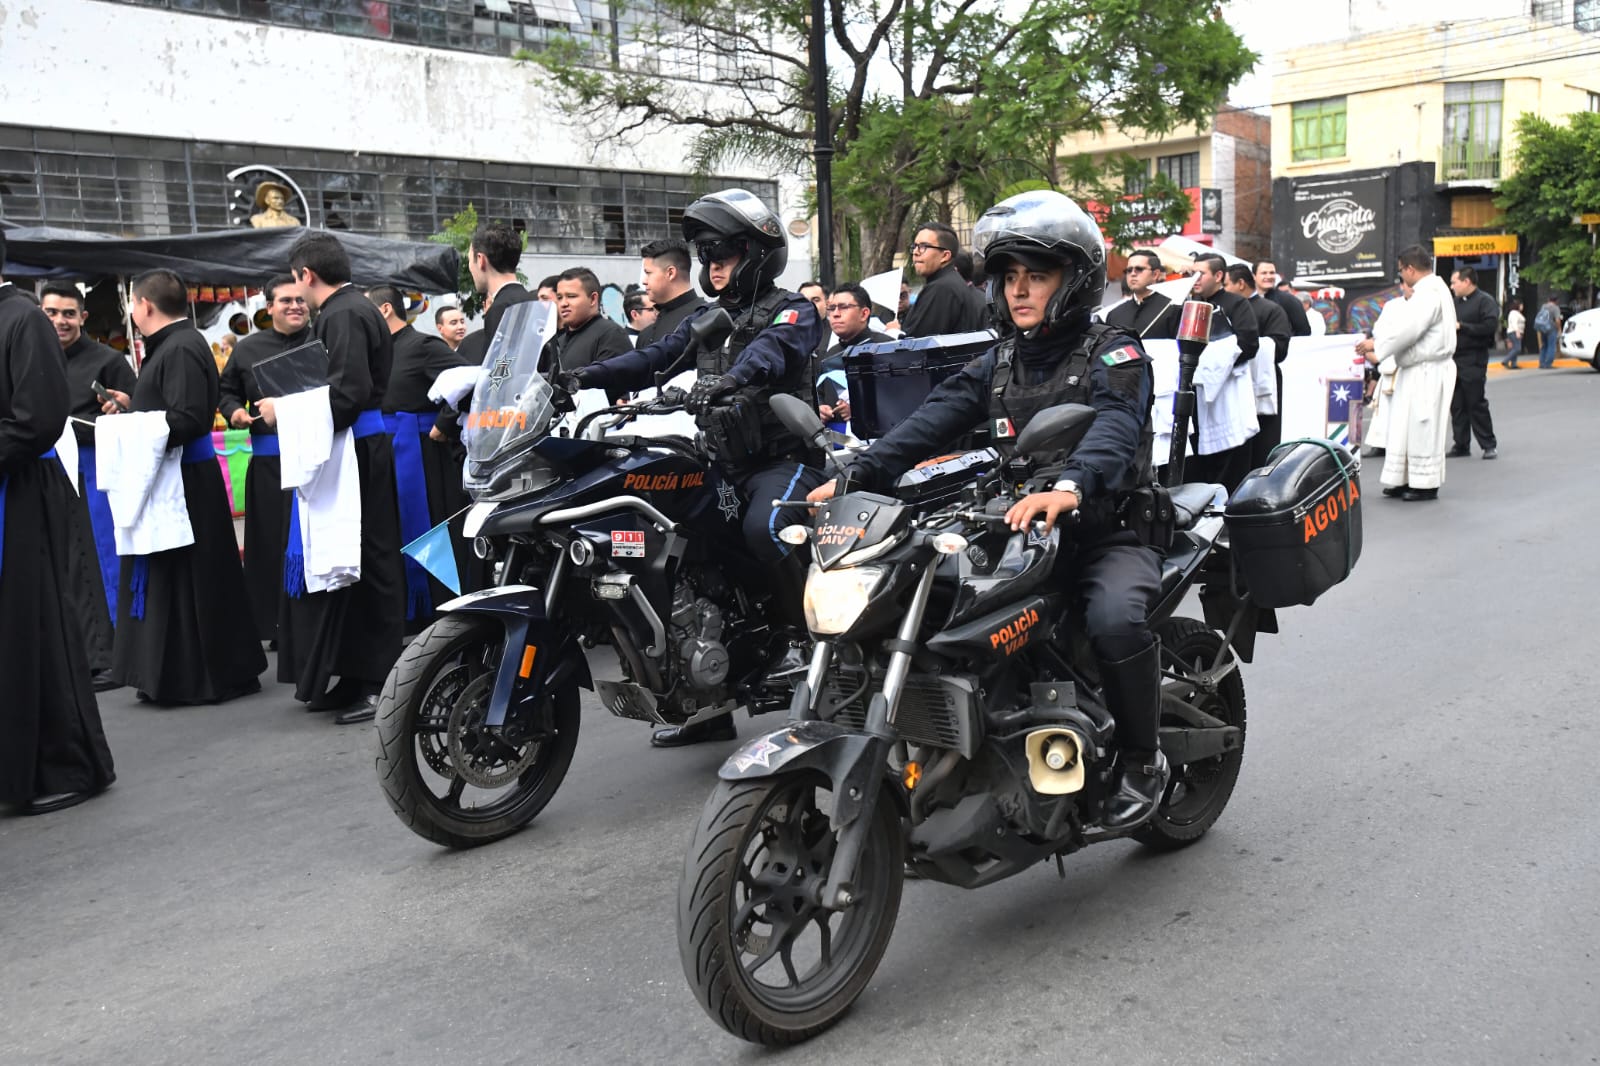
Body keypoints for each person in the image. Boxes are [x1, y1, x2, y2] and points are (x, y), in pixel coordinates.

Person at [807, 191, 1168, 830]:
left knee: (1114, 618)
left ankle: (1143, 758)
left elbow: (1115, 425)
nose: (1020, 291)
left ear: (1074, 281)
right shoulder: (998, 361)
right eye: (1010, 278)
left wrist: (1074, 485)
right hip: (1015, 523)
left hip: (1107, 528)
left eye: (1038, 276)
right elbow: (928, 421)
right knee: (927, 593)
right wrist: (855, 474)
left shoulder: (1116, 351)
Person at [566, 188, 826, 748]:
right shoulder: (709, 319)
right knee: (672, 542)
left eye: (723, 254)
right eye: (707, 256)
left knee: (763, 528)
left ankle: (815, 642)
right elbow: (655, 357)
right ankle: (704, 698)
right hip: (720, 463)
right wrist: (580, 377)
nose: (712, 266)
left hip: (783, 463)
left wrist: (732, 379)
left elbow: (774, 351)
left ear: (756, 254)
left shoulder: (794, 308)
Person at [99, 269, 266, 704]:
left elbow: (189, 418)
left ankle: (205, 677)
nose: (132, 311)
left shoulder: (182, 346)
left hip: (187, 481)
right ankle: (174, 673)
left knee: (198, 580)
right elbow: (169, 410)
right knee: (176, 580)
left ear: (144, 306)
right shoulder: (173, 346)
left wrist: (133, 428)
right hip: (176, 477)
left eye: (132, 304)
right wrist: (133, 409)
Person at [260, 233, 404, 724]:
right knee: (357, 558)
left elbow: (346, 394)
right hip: (359, 446)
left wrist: (283, 408)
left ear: (305, 276)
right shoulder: (353, 308)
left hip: (359, 447)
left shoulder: (342, 314)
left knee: (371, 558)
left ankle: (380, 679)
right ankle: (356, 671)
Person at [0, 243, 117, 815]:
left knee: (39, 627)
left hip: (22, 493)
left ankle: (66, 764)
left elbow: (39, 420)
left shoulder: (22, 318)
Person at [367, 283, 476, 629]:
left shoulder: (423, 345)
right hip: (387, 454)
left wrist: (444, 423)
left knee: (435, 532)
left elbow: (472, 380)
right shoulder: (376, 351)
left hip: (424, 456)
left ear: (384, 310)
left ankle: (444, 612)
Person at [42, 282, 132, 690]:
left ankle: (111, 656)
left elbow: (137, 406)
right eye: (51, 313)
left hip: (94, 471)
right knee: (61, 566)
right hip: (45, 474)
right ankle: (74, 653)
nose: (60, 320)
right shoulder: (29, 356)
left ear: (83, 317)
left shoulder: (108, 360)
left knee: (98, 564)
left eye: (67, 313)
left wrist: (122, 405)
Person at [219, 274, 310, 646]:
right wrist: (233, 413)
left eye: (300, 300)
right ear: (268, 307)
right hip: (270, 466)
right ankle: (275, 624)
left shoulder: (325, 339)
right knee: (270, 546)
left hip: (316, 461)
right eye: (285, 301)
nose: (295, 306)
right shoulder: (248, 349)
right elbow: (225, 392)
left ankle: (313, 620)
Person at [1354, 246, 1457, 501]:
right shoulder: (1432, 290)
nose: (1402, 276)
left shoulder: (1429, 293)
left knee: (1422, 425)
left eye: (1401, 271)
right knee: (1403, 426)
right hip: (1415, 369)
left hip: (1426, 371)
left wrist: (1376, 344)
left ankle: (1424, 483)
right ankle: (1402, 477)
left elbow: (1409, 330)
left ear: (1410, 269)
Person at [1189, 253, 1261, 491]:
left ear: (1219, 275)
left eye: (1201, 273)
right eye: (1192, 273)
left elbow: (1249, 343)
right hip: (1196, 393)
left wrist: (1215, 362)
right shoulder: (1187, 305)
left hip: (1229, 390)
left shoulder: (1236, 304)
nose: (1195, 278)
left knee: (1231, 455)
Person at [1225, 264, 1291, 468]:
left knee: (1263, 444)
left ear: (1241, 284)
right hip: (1231, 382)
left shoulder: (1271, 310)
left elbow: (1280, 348)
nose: (1223, 289)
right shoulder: (1226, 308)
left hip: (1263, 382)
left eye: (1226, 284)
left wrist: (1245, 345)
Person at [457, 223, 534, 366]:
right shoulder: (533, 302)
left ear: (481, 260)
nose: (470, 268)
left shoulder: (501, 308)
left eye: (469, 261)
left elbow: (500, 376)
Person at [816, 281, 891, 425]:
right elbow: (820, 392)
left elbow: (901, 399)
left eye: (844, 307)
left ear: (864, 314)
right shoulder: (832, 353)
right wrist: (820, 408)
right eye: (831, 308)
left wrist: (861, 411)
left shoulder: (887, 348)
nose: (835, 314)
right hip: (837, 439)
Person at [902, 222, 989, 337]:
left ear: (945, 256)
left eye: (923, 247)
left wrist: (893, 333)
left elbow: (917, 343)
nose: (916, 252)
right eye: (915, 246)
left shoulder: (941, 288)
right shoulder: (950, 283)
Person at [1447, 265, 1499, 460]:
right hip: (1454, 359)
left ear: (1467, 281)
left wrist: (1463, 327)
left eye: (1454, 282)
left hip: (1474, 358)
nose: (1452, 286)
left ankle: (1488, 444)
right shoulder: (1454, 303)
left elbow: (1489, 326)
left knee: (1475, 402)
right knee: (1457, 404)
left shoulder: (1485, 301)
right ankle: (1461, 444)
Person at [544, 266, 632, 375]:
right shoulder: (559, 341)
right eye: (559, 297)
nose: (563, 303)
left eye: (571, 296)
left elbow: (614, 384)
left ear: (593, 299)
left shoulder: (611, 335)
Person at [636, 238, 706, 349]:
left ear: (670, 273)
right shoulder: (646, 334)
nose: (644, 281)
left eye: (648, 273)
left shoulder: (706, 320)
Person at [1104, 249, 1180, 339]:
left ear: (1155, 274)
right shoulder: (1114, 314)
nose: (1133, 274)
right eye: (1129, 270)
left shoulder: (1173, 309)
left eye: (1139, 269)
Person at [1254, 260, 1312, 336]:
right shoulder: (1246, 301)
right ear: (1254, 276)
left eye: (1272, 273)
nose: (1269, 276)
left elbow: (1304, 332)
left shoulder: (1289, 300)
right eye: (1264, 273)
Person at [1534, 295, 1562, 369]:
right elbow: (1557, 320)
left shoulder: (1543, 306)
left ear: (1548, 299)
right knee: (1551, 346)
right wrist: (1559, 329)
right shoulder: (1555, 308)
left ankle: (1541, 363)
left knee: (1544, 345)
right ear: (1556, 301)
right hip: (1551, 329)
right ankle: (1548, 364)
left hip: (1543, 328)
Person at [1501, 299, 1524, 369]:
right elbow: (1514, 323)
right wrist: (1517, 332)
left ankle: (1514, 364)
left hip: (1516, 332)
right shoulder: (1514, 313)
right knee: (1517, 348)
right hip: (1514, 332)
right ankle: (1506, 360)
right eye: (1521, 305)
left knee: (1514, 348)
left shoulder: (1516, 313)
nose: (1522, 307)